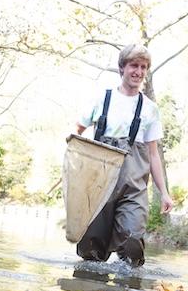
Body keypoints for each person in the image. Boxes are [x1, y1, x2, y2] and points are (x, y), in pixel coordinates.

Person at [73, 44, 173, 266]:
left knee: (132, 242)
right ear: (122, 69)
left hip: (133, 188)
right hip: (99, 188)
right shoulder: (101, 100)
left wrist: (164, 192)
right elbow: (76, 134)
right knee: (91, 251)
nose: (138, 71)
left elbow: (153, 155)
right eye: (133, 66)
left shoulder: (150, 109)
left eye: (143, 67)